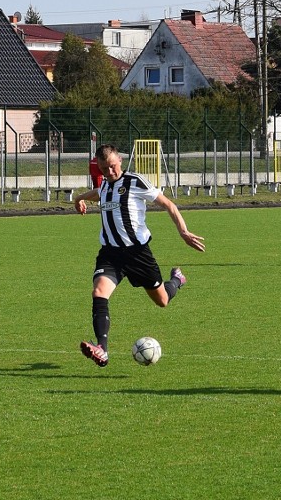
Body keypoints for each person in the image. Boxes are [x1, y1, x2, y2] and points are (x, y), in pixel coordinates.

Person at [73, 144, 205, 367]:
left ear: (120, 162)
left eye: (113, 167)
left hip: (138, 254)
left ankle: (177, 280)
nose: (109, 172)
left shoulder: (135, 182)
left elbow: (168, 204)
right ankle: (102, 348)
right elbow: (98, 193)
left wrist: (183, 232)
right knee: (99, 292)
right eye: (104, 169)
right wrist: (79, 198)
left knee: (162, 301)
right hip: (111, 254)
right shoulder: (105, 183)